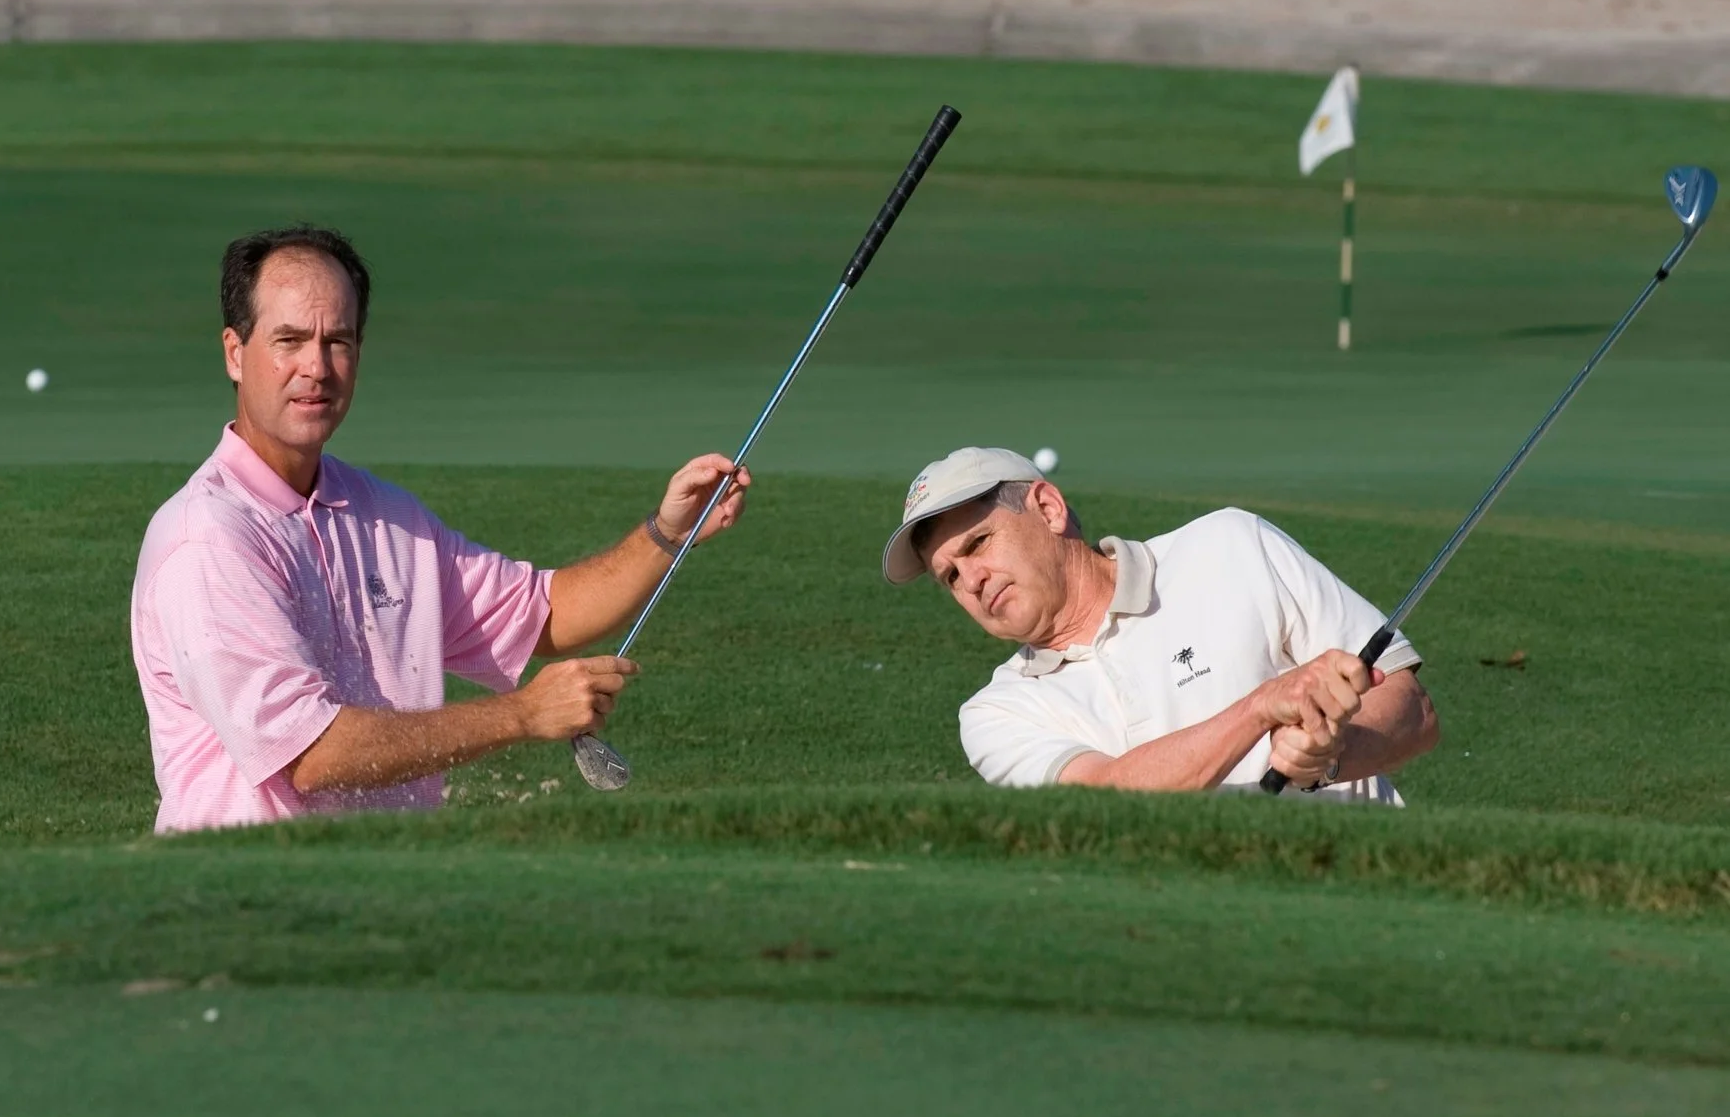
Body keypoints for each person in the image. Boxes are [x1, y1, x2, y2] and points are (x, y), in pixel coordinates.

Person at [131, 224, 750, 833]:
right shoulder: (209, 539)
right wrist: (523, 715)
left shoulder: (386, 515)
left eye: (338, 341)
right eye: (289, 340)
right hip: (242, 908)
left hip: (389, 896)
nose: (316, 367)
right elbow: (313, 757)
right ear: (236, 354)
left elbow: (541, 616)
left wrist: (664, 534)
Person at [883, 447, 1439, 801]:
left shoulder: (1230, 544)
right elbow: (1106, 800)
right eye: (950, 577)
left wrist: (1328, 758)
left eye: (979, 543)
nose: (972, 580)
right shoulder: (996, 714)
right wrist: (1260, 708)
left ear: (1048, 509)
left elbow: (1411, 708)